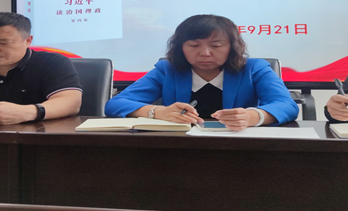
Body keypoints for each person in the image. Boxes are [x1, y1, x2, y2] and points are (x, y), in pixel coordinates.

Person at [105, 14, 299, 131]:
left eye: (216, 45)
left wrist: (251, 117)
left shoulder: (254, 69)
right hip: (179, 147)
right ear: (180, 48)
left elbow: (286, 106)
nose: (205, 53)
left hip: (239, 147)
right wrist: (159, 112)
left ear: (232, 47)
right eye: (194, 45)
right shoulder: (167, 70)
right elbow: (116, 104)